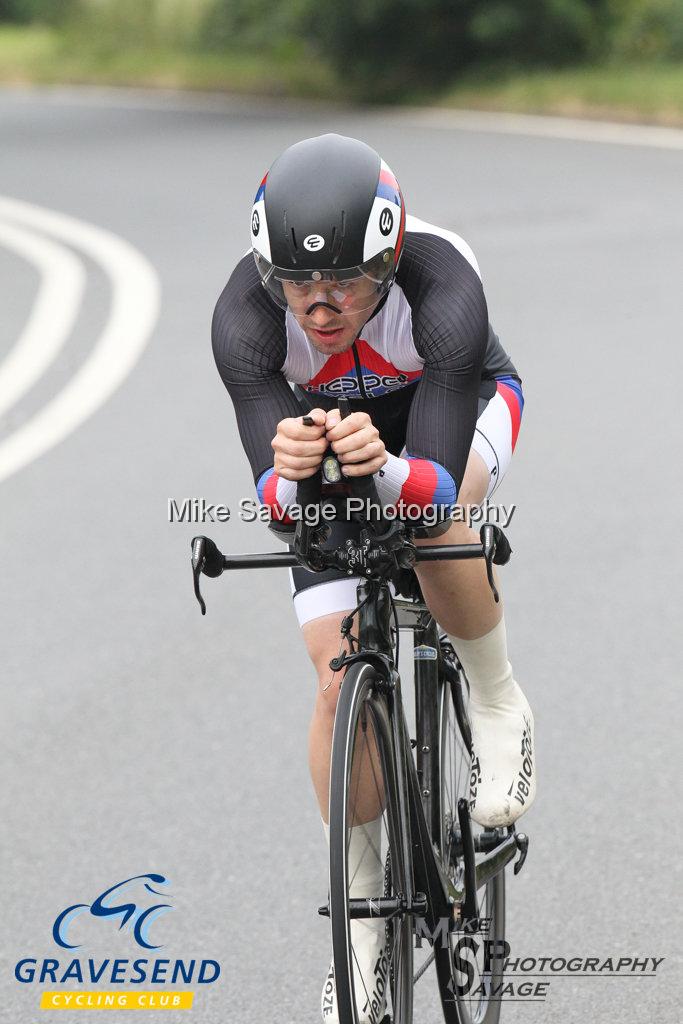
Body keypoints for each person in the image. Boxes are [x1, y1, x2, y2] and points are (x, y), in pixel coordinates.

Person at [212, 133, 536, 1023]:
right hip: (329, 444)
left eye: (347, 281)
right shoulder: (242, 316)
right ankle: (359, 927)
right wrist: (288, 476)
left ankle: (498, 699)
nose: (319, 306)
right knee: (330, 677)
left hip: (453, 413)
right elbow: (282, 504)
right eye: (296, 283)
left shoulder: (441, 283)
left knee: (432, 527)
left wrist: (382, 470)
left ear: (389, 260)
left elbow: (425, 480)